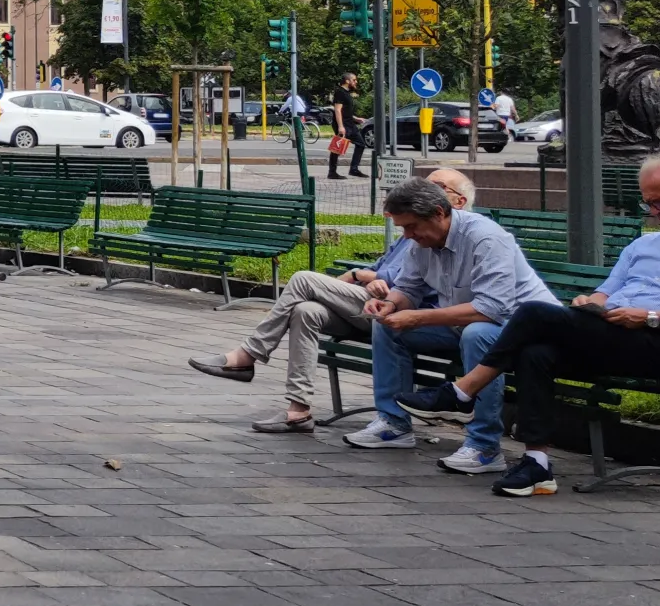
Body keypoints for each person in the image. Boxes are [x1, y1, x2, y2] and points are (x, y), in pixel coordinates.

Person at [410, 154, 660, 497]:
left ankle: (463, 392)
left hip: (652, 338)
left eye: (659, 202)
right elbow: (604, 293)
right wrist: (589, 303)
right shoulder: (642, 245)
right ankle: (537, 463)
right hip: (614, 333)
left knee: (533, 312)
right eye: (649, 203)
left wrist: (648, 317)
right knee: (535, 353)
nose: (654, 212)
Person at [189, 167, 477, 432]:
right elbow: (382, 267)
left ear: (458, 201)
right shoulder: (412, 231)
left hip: (403, 313)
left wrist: (362, 275)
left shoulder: (441, 233)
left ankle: (248, 355)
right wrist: (366, 276)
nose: (427, 189)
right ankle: (298, 410)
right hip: (373, 303)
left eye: (438, 186)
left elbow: (404, 280)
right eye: (427, 183)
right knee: (305, 311)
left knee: (303, 279)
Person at [343, 176, 548, 472]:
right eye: (402, 228)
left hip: (519, 331)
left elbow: (492, 309)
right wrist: (390, 305)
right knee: (386, 325)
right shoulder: (420, 242)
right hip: (463, 326)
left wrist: (418, 317)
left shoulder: (485, 238)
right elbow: (409, 287)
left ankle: (485, 447)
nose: (408, 235)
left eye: (412, 226)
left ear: (439, 213)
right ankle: (393, 423)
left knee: (478, 334)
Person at [327, 71, 363, 180]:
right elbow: (337, 110)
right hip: (343, 125)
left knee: (361, 144)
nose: (356, 82)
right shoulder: (340, 92)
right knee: (337, 148)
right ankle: (332, 172)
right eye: (354, 80)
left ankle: (354, 169)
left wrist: (355, 118)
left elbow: (345, 110)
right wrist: (340, 126)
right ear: (347, 81)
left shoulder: (347, 93)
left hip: (350, 123)